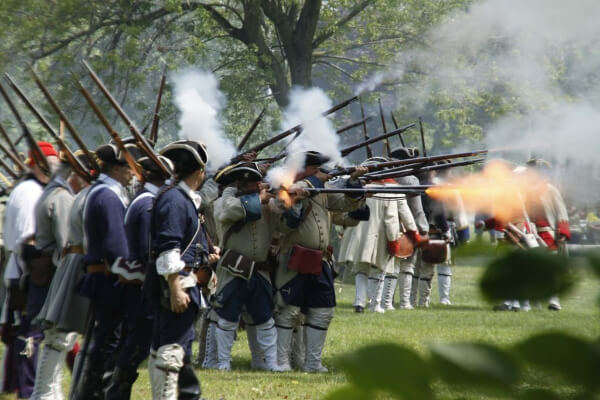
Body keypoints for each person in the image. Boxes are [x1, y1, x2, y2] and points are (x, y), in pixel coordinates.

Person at [274, 151, 367, 372]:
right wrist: (313, 182)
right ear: (302, 170)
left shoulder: (321, 190)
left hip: (320, 259)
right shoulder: (286, 189)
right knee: (289, 312)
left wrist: (353, 181)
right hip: (293, 258)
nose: (320, 173)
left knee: (322, 310)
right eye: (315, 169)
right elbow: (285, 219)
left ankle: (312, 363)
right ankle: (281, 362)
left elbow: (347, 204)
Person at [148, 140, 218, 399]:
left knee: (164, 348)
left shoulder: (176, 198)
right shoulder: (176, 200)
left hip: (179, 281)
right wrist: (175, 286)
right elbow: (168, 247)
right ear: (200, 172)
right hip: (178, 284)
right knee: (170, 352)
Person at [212, 162, 292, 371]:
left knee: (265, 320)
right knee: (227, 320)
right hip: (233, 269)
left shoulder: (265, 204)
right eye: (253, 183)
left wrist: (291, 198)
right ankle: (223, 363)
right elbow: (231, 211)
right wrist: (260, 198)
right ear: (241, 184)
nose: (259, 185)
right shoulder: (224, 202)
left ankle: (270, 363)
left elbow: (287, 222)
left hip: (259, 270)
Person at [105, 154, 172, 399]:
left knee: (137, 343)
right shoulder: (147, 204)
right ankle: (116, 393)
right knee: (136, 344)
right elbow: (147, 252)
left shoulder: (147, 200)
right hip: (141, 287)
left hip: (139, 284)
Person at [71, 143, 134, 400]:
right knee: (108, 340)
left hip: (107, 275)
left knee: (106, 338)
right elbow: (117, 245)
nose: (133, 171)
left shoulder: (104, 191)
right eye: (129, 166)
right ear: (118, 168)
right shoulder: (107, 195)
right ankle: (92, 392)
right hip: (110, 276)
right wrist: (130, 271)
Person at [29, 151, 92, 400]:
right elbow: (68, 242)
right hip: (59, 270)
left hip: (50, 270)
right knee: (58, 338)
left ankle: (48, 391)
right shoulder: (63, 197)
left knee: (58, 338)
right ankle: (45, 392)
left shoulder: (51, 193)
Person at [0, 141, 59, 398]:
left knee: (26, 335)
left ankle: (18, 387)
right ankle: (27, 390)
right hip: (29, 273)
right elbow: (28, 239)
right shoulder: (29, 192)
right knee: (29, 337)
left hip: (31, 271)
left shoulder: (34, 189)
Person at [386, 147, 429, 310]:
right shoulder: (411, 180)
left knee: (390, 267)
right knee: (407, 267)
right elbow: (416, 209)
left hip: (389, 225)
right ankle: (404, 302)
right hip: (407, 227)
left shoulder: (385, 177)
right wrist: (422, 229)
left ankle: (386, 302)